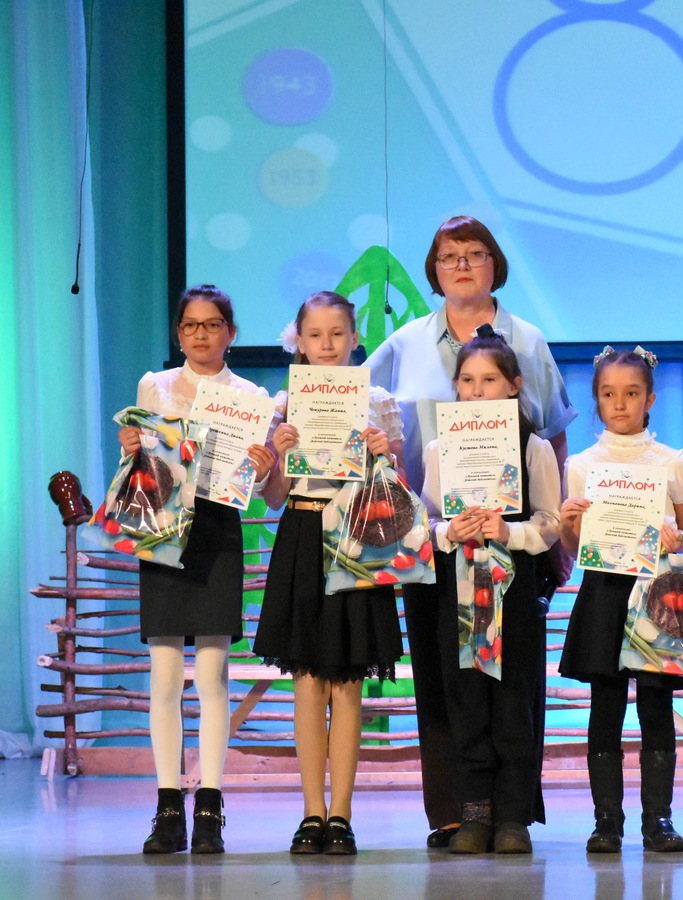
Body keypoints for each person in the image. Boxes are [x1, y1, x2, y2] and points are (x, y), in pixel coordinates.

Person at [366, 215, 575, 847]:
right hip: (441, 549)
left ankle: (512, 809)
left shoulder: (528, 340)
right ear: (433, 269)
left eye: (475, 253)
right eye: (448, 255)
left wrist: (551, 538)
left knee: (514, 685)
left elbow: (554, 435)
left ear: (494, 264)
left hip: (514, 549)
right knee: (444, 680)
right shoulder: (404, 343)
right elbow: (349, 404)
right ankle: (459, 810)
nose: (461, 265)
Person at [120, 284, 275, 855]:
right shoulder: (155, 386)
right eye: (190, 325)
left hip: (216, 531)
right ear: (178, 333)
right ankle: (167, 808)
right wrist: (130, 446)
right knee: (163, 676)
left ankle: (210, 807)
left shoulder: (251, 396)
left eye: (212, 324)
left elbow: (256, 484)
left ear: (231, 332)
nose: (201, 334)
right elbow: (139, 466)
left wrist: (263, 466)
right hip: (163, 526)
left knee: (212, 677)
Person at [253, 291, 405, 856]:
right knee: (308, 681)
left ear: (354, 337)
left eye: (337, 333)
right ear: (299, 340)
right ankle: (310, 812)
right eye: (315, 335)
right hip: (302, 532)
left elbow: (402, 492)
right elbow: (273, 497)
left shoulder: (378, 402)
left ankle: (341, 813)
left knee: (348, 681)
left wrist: (383, 455)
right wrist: (276, 453)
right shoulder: (284, 402)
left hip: (357, 535)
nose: (326, 344)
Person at [419, 326, 561, 854]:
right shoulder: (439, 449)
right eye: (467, 380)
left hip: (514, 587)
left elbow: (550, 522)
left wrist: (511, 532)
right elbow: (426, 523)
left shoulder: (534, 447)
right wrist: (447, 531)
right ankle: (474, 813)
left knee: (512, 698)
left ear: (514, 385)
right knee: (466, 698)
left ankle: (513, 816)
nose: (477, 391)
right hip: (458, 585)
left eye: (489, 380)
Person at [558, 346, 683, 854]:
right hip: (604, 592)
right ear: (596, 399)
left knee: (656, 705)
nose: (620, 404)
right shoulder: (581, 464)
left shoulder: (671, 461)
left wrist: (675, 539)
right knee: (606, 706)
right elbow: (574, 546)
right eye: (609, 394)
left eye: (631, 393)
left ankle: (658, 819)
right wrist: (568, 525)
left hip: (657, 593)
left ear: (650, 399)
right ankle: (606, 822)